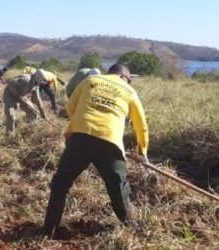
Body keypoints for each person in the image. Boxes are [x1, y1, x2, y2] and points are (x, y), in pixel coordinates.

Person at [44, 63, 149, 238]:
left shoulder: (91, 80)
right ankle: (131, 229)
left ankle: (50, 230)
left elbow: (70, 106)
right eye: (129, 80)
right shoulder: (130, 92)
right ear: (124, 77)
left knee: (60, 185)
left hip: (79, 140)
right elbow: (142, 126)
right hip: (110, 144)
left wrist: (81, 123)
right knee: (118, 189)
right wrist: (143, 153)